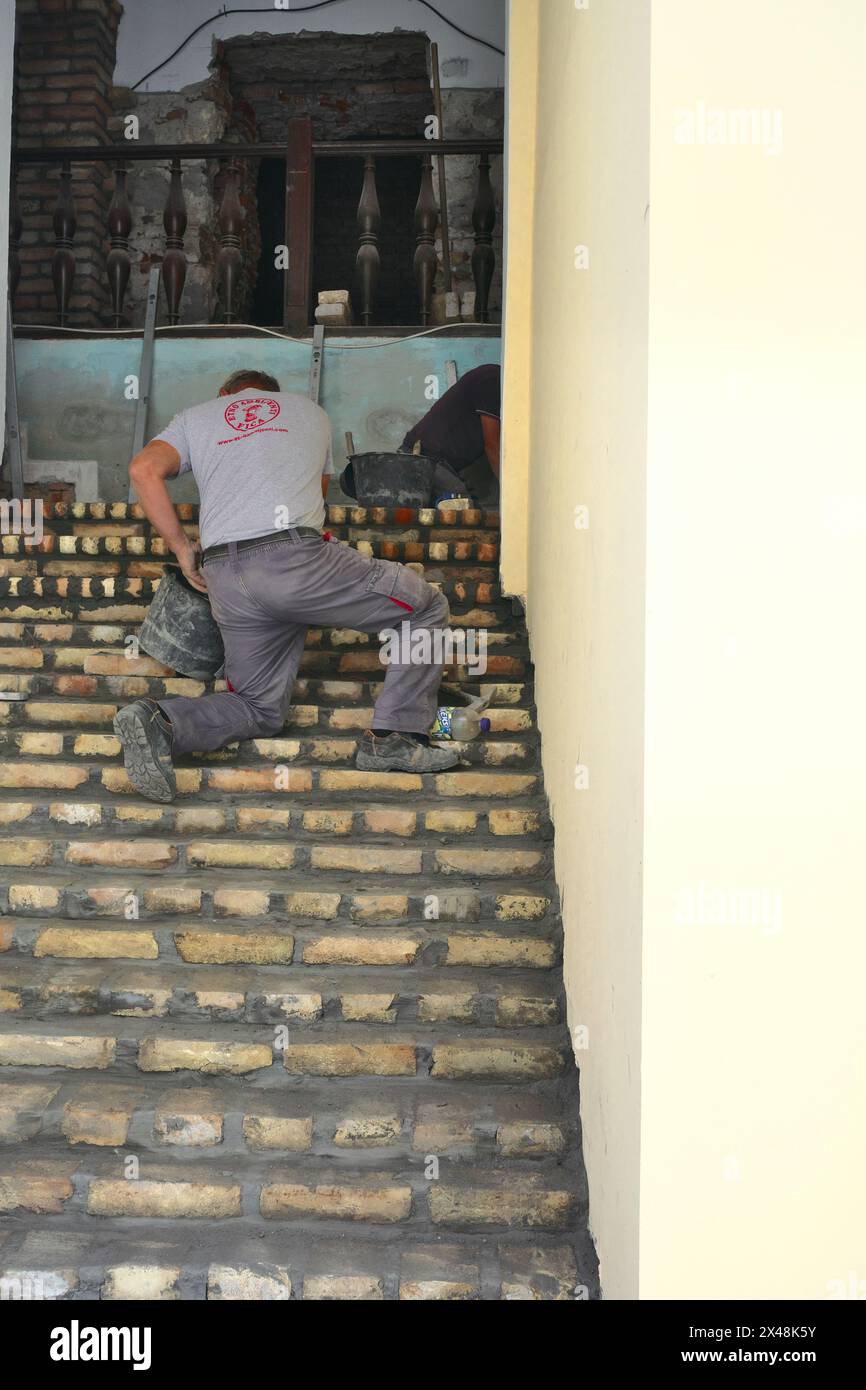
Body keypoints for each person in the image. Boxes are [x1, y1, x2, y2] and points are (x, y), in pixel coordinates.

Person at [113, 368, 462, 804]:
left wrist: (183, 549)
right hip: (295, 559)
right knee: (424, 608)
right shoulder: (310, 413)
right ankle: (396, 736)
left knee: (257, 707)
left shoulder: (195, 416)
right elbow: (316, 498)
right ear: (271, 394)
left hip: (224, 574)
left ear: (224, 396)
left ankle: (160, 721)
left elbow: (143, 469)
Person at [400, 362, 500, 502]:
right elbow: (493, 446)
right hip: (422, 458)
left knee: (467, 511)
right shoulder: (493, 379)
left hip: (436, 462)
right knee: (465, 513)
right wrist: (510, 487)